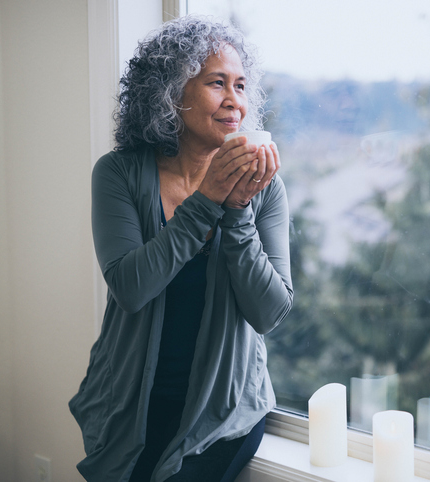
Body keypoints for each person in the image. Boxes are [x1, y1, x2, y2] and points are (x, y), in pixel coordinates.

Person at [69, 15, 293, 482]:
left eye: (242, 85)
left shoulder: (265, 190)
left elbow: (270, 311)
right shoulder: (118, 174)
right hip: (128, 408)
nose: (235, 101)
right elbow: (131, 287)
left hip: (221, 415)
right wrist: (208, 199)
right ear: (172, 95)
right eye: (217, 83)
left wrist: (237, 209)